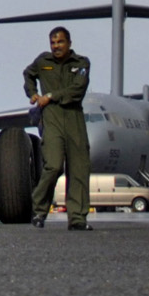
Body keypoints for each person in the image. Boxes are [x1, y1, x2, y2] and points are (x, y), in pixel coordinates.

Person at [24, 28, 95, 229]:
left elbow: (78, 89)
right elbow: (28, 74)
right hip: (51, 117)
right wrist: (32, 93)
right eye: (53, 43)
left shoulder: (81, 63)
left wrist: (51, 96)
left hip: (74, 117)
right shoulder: (43, 62)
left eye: (60, 42)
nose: (56, 46)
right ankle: (38, 210)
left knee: (79, 168)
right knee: (53, 165)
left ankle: (78, 218)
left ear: (69, 43)